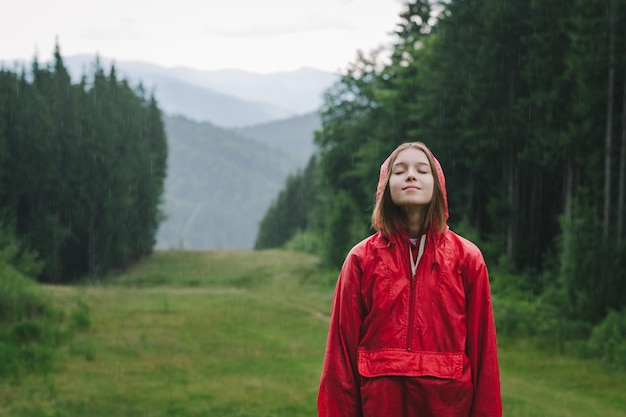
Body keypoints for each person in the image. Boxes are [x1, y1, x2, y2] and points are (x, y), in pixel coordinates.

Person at [317, 142, 502, 417]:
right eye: (400, 170)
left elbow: (484, 358)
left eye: (422, 170)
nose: (411, 176)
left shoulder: (467, 259)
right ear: (385, 186)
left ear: (438, 185)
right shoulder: (361, 260)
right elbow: (340, 360)